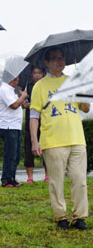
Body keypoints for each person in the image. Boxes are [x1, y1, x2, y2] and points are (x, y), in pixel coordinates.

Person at [30, 47, 90, 230]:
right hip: (53, 141)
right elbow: (34, 116)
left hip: (77, 138)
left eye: (62, 57)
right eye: (55, 58)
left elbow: (85, 108)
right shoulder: (40, 86)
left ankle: (79, 217)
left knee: (80, 180)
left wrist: (85, 90)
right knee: (56, 182)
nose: (59, 61)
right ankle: (61, 217)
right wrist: (34, 141)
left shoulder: (73, 81)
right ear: (46, 63)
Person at [0, 76, 28, 188]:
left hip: (15, 126)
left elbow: (17, 104)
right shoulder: (4, 89)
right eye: (17, 77)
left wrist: (23, 103)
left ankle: (12, 178)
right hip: (8, 126)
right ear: (12, 78)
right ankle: (6, 179)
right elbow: (14, 105)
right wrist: (23, 96)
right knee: (10, 155)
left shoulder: (10, 91)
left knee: (16, 154)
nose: (19, 80)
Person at [22, 66, 49, 183]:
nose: (37, 75)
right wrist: (25, 104)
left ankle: (47, 174)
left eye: (39, 72)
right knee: (28, 146)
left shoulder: (47, 86)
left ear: (43, 74)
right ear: (31, 74)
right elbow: (22, 102)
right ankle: (30, 177)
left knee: (46, 146)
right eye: (34, 73)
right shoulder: (27, 86)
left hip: (44, 119)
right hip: (30, 120)